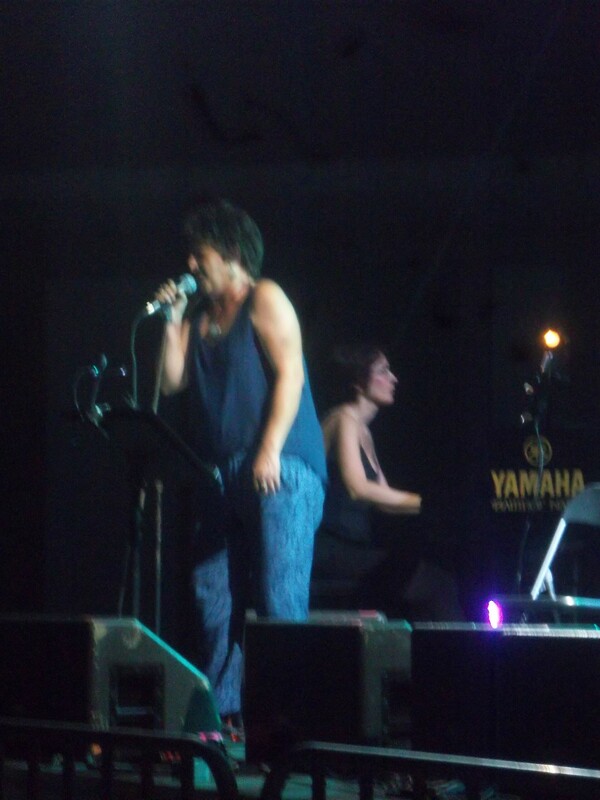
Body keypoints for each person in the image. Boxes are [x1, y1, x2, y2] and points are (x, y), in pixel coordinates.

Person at [154, 198, 326, 726]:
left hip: (282, 467)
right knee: (213, 598)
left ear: (229, 252)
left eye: (199, 253)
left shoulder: (263, 296)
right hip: (219, 473)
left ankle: (287, 726)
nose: (190, 264)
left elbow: (291, 374)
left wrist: (269, 449)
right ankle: (226, 720)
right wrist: (172, 318)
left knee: (278, 598)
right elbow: (170, 382)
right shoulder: (199, 317)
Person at [312, 344, 463, 621]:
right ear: (358, 382)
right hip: (329, 548)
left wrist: (444, 511)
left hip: (353, 547)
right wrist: (426, 503)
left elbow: (384, 499)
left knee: (434, 578)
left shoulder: (363, 431)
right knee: (438, 586)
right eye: (383, 371)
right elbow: (358, 488)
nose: (394, 378)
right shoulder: (344, 418)